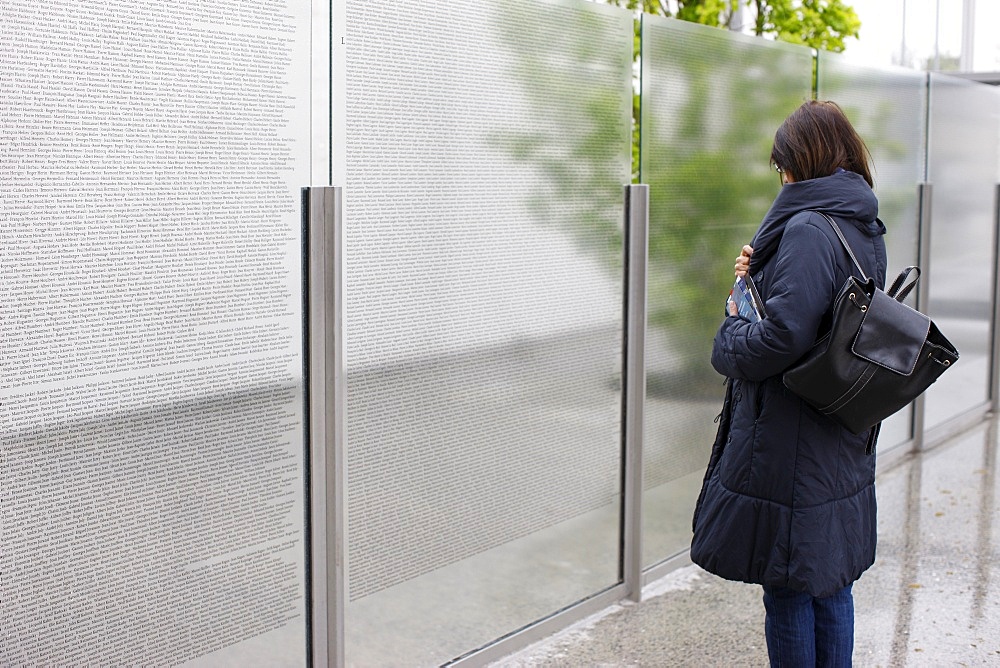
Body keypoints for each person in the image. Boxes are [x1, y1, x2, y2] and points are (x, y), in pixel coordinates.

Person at [691, 100, 887, 667]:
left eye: (784, 164)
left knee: (788, 584)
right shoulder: (858, 222)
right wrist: (759, 276)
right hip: (837, 430)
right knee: (828, 581)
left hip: (794, 439)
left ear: (803, 160)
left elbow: (782, 338)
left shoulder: (805, 225)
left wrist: (729, 334)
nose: (782, 176)